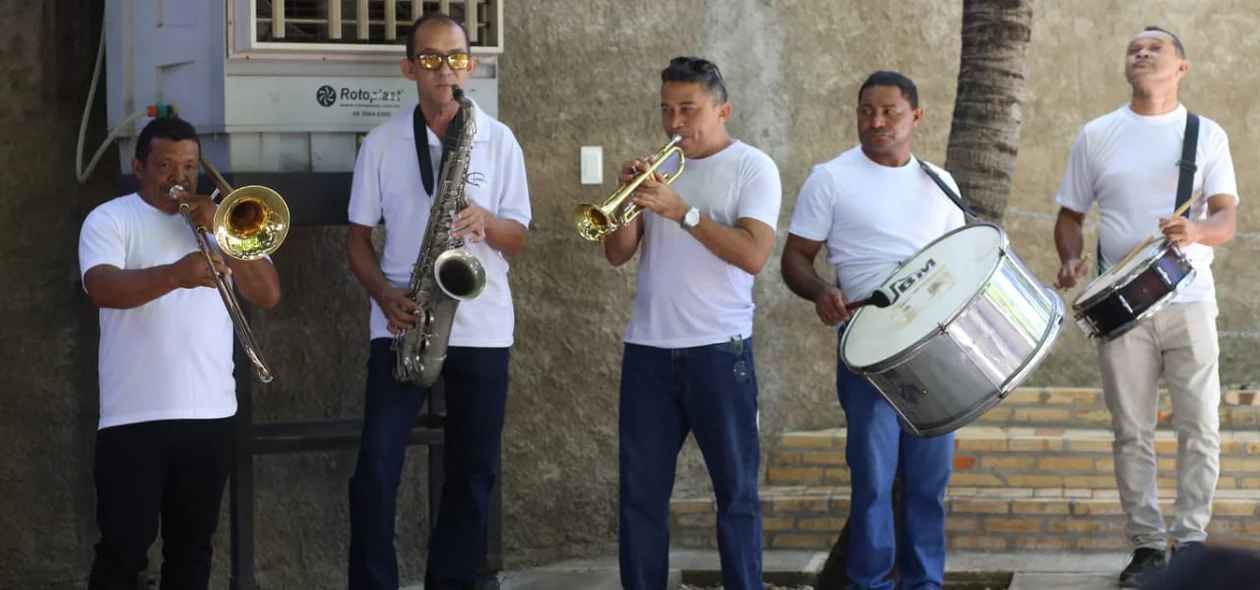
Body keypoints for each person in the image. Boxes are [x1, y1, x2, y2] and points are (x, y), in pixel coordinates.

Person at [343, 13, 532, 590]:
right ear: (409, 69)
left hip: (481, 325)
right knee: (375, 466)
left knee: (473, 470)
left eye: (454, 58)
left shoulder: (497, 139)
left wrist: (487, 223)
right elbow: (356, 239)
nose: (443, 69)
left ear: (470, 66)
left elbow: (519, 237)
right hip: (404, 320)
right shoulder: (381, 143)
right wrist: (383, 293)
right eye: (429, 59)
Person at [1052, 26, 1238, 588]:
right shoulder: (1098, 134)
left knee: (1200, 426)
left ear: (1180, 67)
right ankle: (1147, 546)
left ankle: (1192, 540)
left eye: (1155, 47)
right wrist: (1069, 259)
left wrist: (1196, 230)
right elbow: (1070, 215)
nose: (1141, 52)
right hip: (1119, 310)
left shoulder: (1205, 134)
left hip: (1192, 300)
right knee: (1130, 430)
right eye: (1133, 46)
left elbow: (1226, 219)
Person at [78, 115, 282, 590]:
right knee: (123, 548)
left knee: (192, 552)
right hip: (133, 417)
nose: (180, 178)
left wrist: (222, 231)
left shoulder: (224, 221)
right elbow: (100, 287)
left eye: (190, 167)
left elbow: (267, 293)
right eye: (166, 166)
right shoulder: (111, 218)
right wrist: (175, 274)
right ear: (138, 167)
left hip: (210, 416)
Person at [780, 70, 964, 590]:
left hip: (935, 351)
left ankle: (924, 584)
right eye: (866, 112)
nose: (876, 121)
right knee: (873, 479)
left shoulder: (940, 183)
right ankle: (870, 584)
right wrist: (820, 291)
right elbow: (795, 258)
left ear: (916, 117)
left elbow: (959, 264)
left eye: (889, 112)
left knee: (929, 483)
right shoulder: (832, 177)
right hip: (868, 346)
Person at [603, 56, 782, 590]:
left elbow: (753, 255)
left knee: (736, 495)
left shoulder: (754, 167)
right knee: (640, 498)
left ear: (722, 109)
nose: (675, 122)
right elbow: (616, 255)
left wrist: (683, 211)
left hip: (718, 352)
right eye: (666, 109)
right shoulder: (659, 173)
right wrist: (628, 205)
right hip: (649, 351)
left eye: (689, 109)